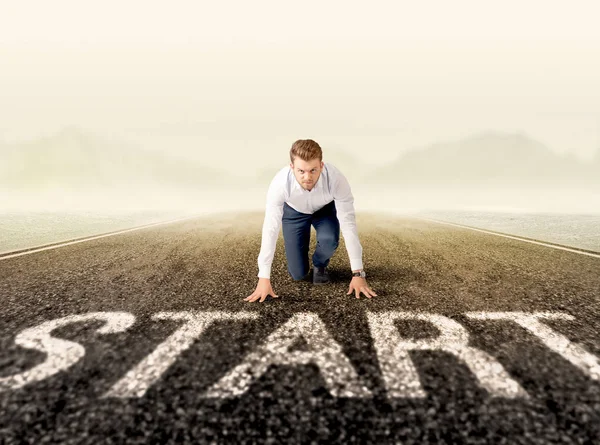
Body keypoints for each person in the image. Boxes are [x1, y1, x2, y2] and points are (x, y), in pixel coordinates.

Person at [244, 139, 378, 303]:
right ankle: (301, 265)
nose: (307, 177)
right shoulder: (279, 184)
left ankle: (320, 264)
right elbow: (270, 229)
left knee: (329, 240)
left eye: (313, 170)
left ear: (322, 165)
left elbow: (349, 224)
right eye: (301, 171)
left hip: (324, 210)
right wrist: (263, 277)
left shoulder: (336, 180)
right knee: (298, 274)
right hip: (294, 212)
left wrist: (358, 273)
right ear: (291, 167)